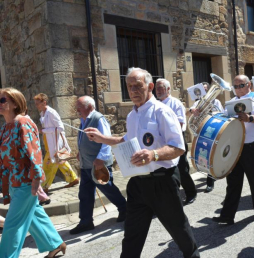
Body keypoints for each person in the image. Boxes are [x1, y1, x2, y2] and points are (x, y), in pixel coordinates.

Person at [85, 67, 200, 258]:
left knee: (180, 231)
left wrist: (153, 154)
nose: (133, 91)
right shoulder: (132, 116)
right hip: (138, 184)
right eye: (129, 87)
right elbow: (127, 141)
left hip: (163, 183)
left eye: (138, 86)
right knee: (132, 236)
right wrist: (102, 138)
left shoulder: (163, 112)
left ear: (150, 86)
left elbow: (178, 147)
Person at [0, 87, 66, 258]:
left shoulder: (23, 123)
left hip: (26, 184)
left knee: (12, 226)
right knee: (34, 214)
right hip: (14, 183)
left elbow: (34, 153)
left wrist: (36, 181)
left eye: (2, 100)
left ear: (15, 103)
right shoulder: (5, 128)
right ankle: (55, 243)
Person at [212, 75, 254, 224]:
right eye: (235, 86)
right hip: (234, 146)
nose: (238, 89)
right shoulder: (231, 103)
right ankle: (227, 216)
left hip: (253, 146)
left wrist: (249, 118)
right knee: (233, 182)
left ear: (249, 84)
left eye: (241, 85)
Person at [69, 96, 127, 235]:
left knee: (108, 189)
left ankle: (125, 209)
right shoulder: (84, 120)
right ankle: (86, 222)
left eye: (79, 106)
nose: (77, 109)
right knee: (85, 194)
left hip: (97, 165)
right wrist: (80, 152)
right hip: (86, 164)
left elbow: (106, 140)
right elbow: (84, 139)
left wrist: (101, 159)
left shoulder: (98, 119)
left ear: (89, 107)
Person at [155, 78, 197, 205]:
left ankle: (191, 192)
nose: (158, 90)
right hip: (162, 141)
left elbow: (180, 123)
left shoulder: (175, 103)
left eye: (161, 87)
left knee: (182, 169)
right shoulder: (156, 104)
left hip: (176, 140)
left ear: (168, 89)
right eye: (156, 88)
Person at [33, 93, 79, 193]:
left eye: (38, 103)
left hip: (54, 144)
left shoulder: (51, 112)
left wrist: (44, 131)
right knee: (60, 161)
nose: (36, 105)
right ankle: (73, 178)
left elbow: (60, 127)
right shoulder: (43, 113)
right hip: (49, 143)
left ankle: (44, 187)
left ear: (44, 102)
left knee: (47, 165)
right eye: (36, 103)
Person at [187, 82, 224, 193]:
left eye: (206, 89)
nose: (204, 91)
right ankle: (209, 176)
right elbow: (190, 113)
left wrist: (212, 112)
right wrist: (192, 111)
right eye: (202, 89)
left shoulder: (216, 101)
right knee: (205, 154)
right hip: (201, 131)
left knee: (212, 154)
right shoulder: (198, 102)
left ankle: (210, 181)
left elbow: (221, 114)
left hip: (212, 129)